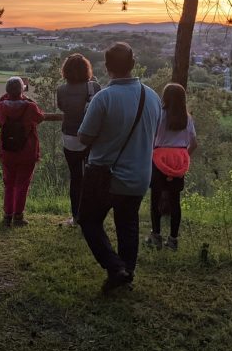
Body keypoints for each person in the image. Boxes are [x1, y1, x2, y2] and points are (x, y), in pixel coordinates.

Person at [77, 42, 161, 292]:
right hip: (138, 177)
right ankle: (127, 272)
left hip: (104, 175)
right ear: (133, 65)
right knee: (128, 225)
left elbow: (84, 137)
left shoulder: (104, 97)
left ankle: (115, 267)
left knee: (89, 221)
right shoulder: (152, 97)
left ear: (107, 66)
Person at [144, 83, 197, 251]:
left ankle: (156, 236)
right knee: (175, 202)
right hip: (179, 159)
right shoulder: (187, 118)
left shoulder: (160, 115)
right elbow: (194, 143)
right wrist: (183, 157)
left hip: (159, 159)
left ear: (165, 97)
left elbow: (151, 138)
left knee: (155, 199)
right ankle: (173, 240)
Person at [0, 76, 45, 227]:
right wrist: (26, 98)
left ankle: (7, 215)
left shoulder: (1, 107)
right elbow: (41, 117)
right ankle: (18, 216)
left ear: (7, 91)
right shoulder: (30, 107)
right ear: (22, 90)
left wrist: (7, 96)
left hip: (7, 152)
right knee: (22, 184)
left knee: (8, 183)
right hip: (27, 152)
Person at [56, 54, 101, 227]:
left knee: (75, 179)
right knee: (92, 178)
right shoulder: (94, 87)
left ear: (65, 70)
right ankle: (91, 215)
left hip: (69, 138)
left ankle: (76, 217)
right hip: (90, 138)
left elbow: (61, 107)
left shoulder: (61, 90)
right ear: (86, 69)